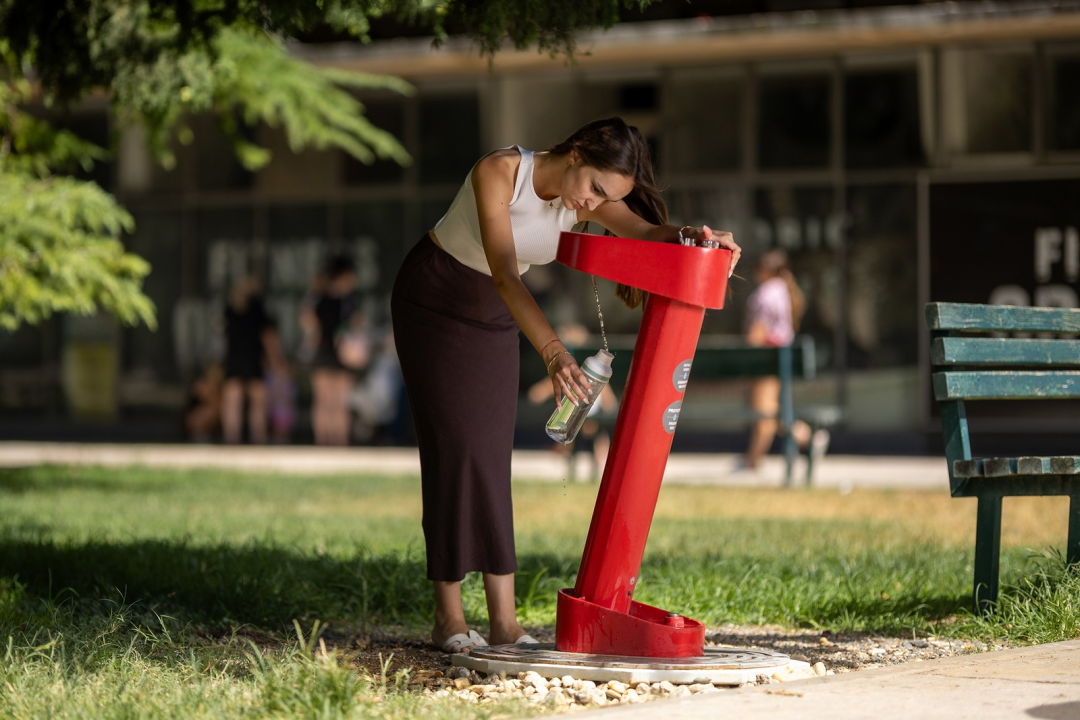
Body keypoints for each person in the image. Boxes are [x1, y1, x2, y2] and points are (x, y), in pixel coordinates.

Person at [390, 117, 741, 654]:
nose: (593, 206)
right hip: (434, 301)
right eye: (596, 189)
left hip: (494, 313)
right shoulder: (500, 172)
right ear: (576, 153)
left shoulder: (590, 200)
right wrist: (554, 354)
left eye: (608, 198)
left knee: (488, 455)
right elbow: (505, 270)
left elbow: (647, 234)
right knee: (453, 451)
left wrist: (702, 239)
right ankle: (449, 618)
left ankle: (505, 624)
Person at [742, 248, 827, 470]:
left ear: (766, 270)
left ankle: (753, 461)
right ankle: (805, 437)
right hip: (783, 357)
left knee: (764, 411)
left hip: (767, 358)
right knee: (771, 408)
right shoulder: (784, 291)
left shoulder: (765, 293)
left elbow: (757, 333)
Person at [302, 255, 365, 446]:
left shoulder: (320, 296)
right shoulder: (345, 299)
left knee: (328, 401)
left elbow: (306, 321)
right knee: (333, 401)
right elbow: (357, 325)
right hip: (330, 352)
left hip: (329, 352)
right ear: (345, 275)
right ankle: (336, 444)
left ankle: (328, 444)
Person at [221, 276, 285, 445]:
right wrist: (276, 362)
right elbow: (269, 339)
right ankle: (252, 440)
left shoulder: (240, 311)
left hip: (242, 360)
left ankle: (239, 440)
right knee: (248, 402)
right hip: (247, 359)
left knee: (241, 402)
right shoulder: (254, 311)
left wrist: (275, 362)